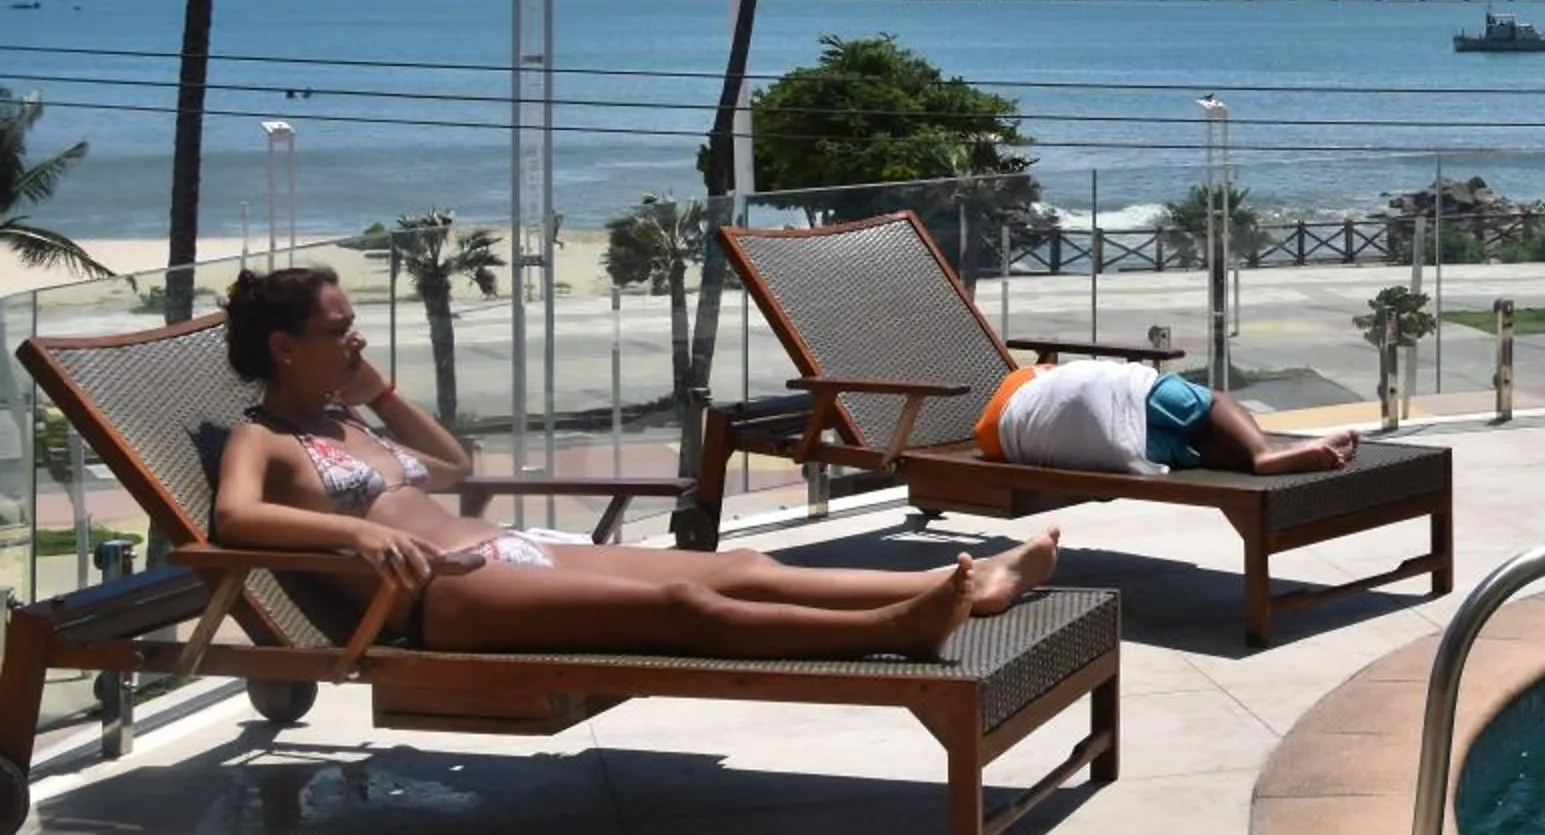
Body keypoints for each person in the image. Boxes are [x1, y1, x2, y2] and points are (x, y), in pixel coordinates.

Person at [213, 266, 1061, 658]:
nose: (355, 337)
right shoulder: (264, 438)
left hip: (497, 553)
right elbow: (236, 519)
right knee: (683, 601)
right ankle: (893, 629)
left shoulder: (345, 420)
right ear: (284, 348)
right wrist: (351, 539)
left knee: (737, 564)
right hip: (439, 599)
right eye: (338, 331)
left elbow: (453, 463)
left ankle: (977, 582)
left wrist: (379, 392)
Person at [971, 354, 1360, 476]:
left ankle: (1276, 451)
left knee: (1192, 445)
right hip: (1116, 394)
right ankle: (1264, 452)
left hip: (1107, 449)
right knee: (1214, 403)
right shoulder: (1033, 378)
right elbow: (1068, 375)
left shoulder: (991, 436)